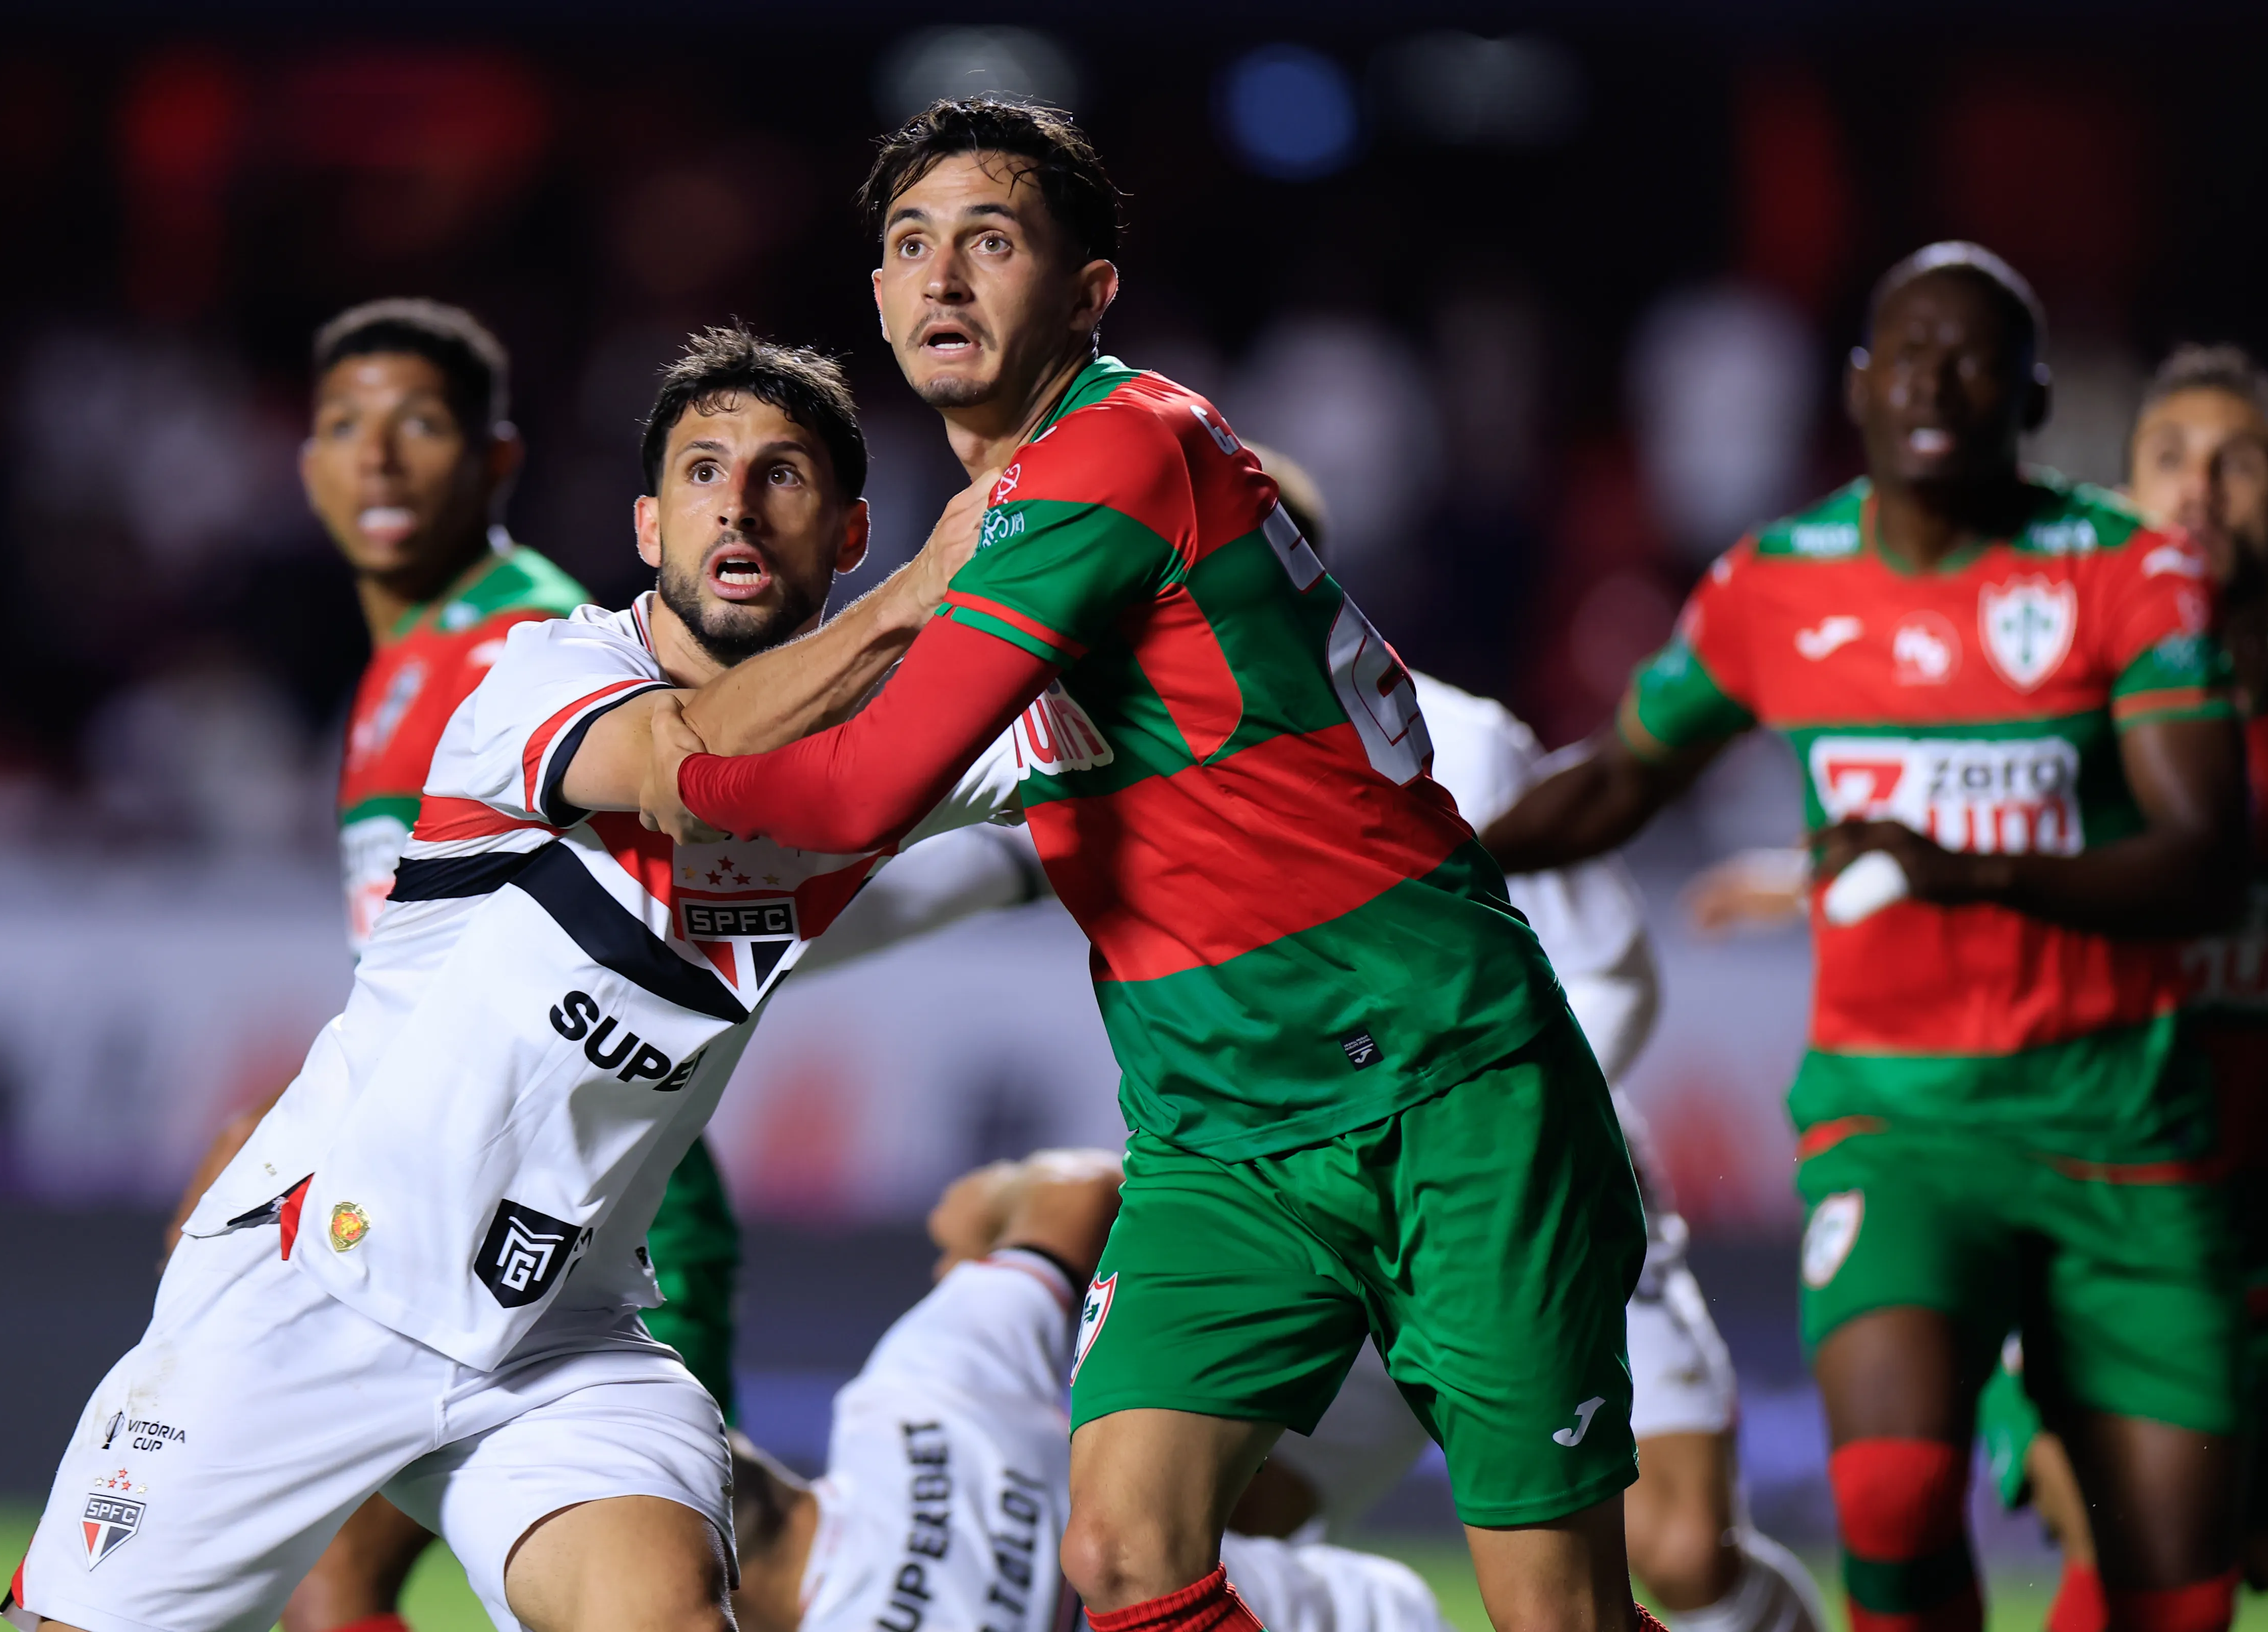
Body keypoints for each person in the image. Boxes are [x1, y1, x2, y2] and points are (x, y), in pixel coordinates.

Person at [658, 98, 1654, 1632]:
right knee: (1122, 1552)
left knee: (1561, 1618)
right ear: (873, 296)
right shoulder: (1000, 528)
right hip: (1217, 1132)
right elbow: (909, 832)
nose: (942, 279)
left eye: (991, 242)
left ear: (1089, 290)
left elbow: (854, 792)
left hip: (1445, 1085)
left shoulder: (1121, 453)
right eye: (910, 247)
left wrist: (619, 764)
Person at [3, 327, 1036, 1632]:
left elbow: (1136, 728)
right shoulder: (544, 673)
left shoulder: (891, 740)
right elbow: (694, 759)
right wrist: (914, 601)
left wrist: (1216, 550)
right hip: (312, 1285)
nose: (737, 498)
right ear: (652, 524)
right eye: (704, 470)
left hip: (559, 1335)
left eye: (781, 475)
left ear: (843, 530)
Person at [1481, 243, 2251, 1632]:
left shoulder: (2130, 575)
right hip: (1898, 1126)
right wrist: (1422, 860)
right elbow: (1620, 777)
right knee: (1892, 1502)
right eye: (1906, 354)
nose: (1933, 384)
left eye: (1970, 358)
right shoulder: (1780, 581)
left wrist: (1964, 871)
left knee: (2176, 1580)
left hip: (2123, 1130)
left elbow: (2206, 862)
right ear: (1857, 387)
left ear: (2030, 395)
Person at [143, 298, 751, 1632]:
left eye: (419, 426)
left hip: (567, 1215)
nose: (377, 459)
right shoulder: (400, 666)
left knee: (694, 1587)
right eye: (346, 428)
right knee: (334, 1582)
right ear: (302, 465)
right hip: (424, 1212)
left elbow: (706, 850)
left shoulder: (521, 640)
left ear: (495, 462)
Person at [1232, 451, 1822, 1632]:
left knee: (1680, 1556)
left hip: (1533, 1185)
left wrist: (1489, 1123)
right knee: (1213, 1522)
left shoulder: (1450, 735)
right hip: (1329, 1213)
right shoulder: (1154, 764)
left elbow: (1608, 965)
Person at [1969, 347, 2268, 1625]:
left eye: (2236, 463)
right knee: (2149, 1560)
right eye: (2166, 459)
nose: (2198, 490)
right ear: (2118, 506)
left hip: (2266, 1259)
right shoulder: (2059, 733)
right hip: (2084, 1246)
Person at [724, 1149, 1461, 1632]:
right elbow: (1080, 1188)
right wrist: (983, 1214)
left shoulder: (912, 1393)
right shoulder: (911, 1398)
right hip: (1370, 1609)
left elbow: (1085, 1191)